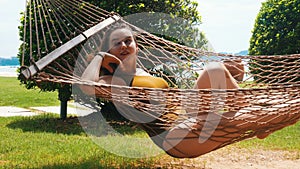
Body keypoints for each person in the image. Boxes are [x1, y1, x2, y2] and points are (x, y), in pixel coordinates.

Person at [80, 23, 277, 158]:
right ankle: (258, 118)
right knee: (258, 113)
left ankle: (256, 118)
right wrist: (99, 56)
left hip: (186, 113)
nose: (123, 45)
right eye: (116, 44)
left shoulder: (143, 71)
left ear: (136, 46)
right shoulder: (113, 80)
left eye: (128, 41)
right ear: (109, 51)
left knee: (216, 68)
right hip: (175, 136)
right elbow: (87, 87)